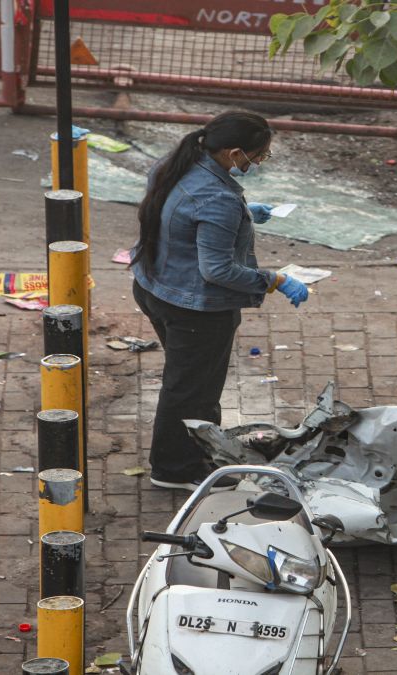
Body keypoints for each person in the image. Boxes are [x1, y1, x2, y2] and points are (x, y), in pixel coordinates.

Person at [131, 111, 309, 491]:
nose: (258, 164)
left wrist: (244, 213)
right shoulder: (217, 198)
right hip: (195, 309)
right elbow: (218, 271)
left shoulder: (177, 163)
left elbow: (183, 217)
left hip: (154, 287)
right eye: (258, 157)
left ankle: (198, 448)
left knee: (192, 382)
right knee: (190, 389)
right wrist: (274, 280)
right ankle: (176, 469)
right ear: (233, 153)